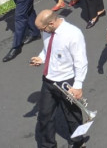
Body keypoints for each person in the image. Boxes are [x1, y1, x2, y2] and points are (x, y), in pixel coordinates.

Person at [30, 9, 88, 148]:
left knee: (72, 116)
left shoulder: (73, 34)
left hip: (67, 81)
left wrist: (78, 85)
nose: (42, 32)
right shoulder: (47, 30)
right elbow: (47, 50)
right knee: (44, 116)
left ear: (51, 23)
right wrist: (41, 58)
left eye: (43, 28)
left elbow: (81, 61)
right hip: (49, 80)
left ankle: (78, 142)